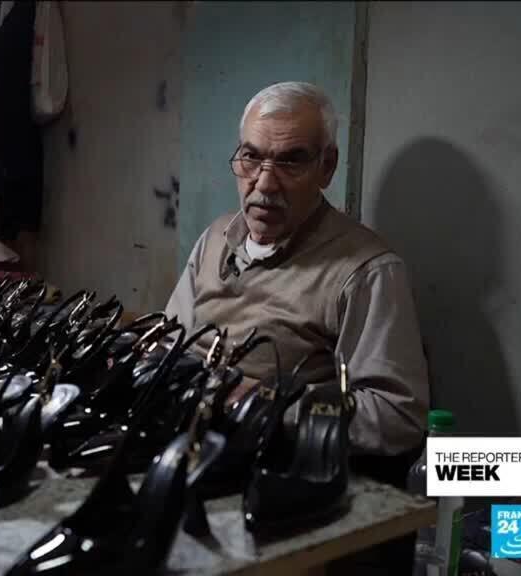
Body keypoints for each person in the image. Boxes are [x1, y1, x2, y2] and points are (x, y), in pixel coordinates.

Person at [165, 81, 429, 572]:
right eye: (251, 157)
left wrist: (269, 404)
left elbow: (398, 417)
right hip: (190, 447)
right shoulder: (216, 237)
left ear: (326, 167)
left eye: (291, 161)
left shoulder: (366, 271)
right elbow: (171, 342)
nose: (265, 184)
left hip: (272, 479)